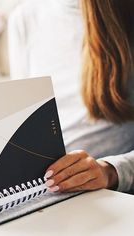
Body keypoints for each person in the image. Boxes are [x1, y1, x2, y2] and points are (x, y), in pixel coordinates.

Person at [8, 0, 134, 193]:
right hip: (43, 188)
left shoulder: (125, 14)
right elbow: (21, 117)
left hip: (108, 194)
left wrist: (110, 171)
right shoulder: (24, 17)